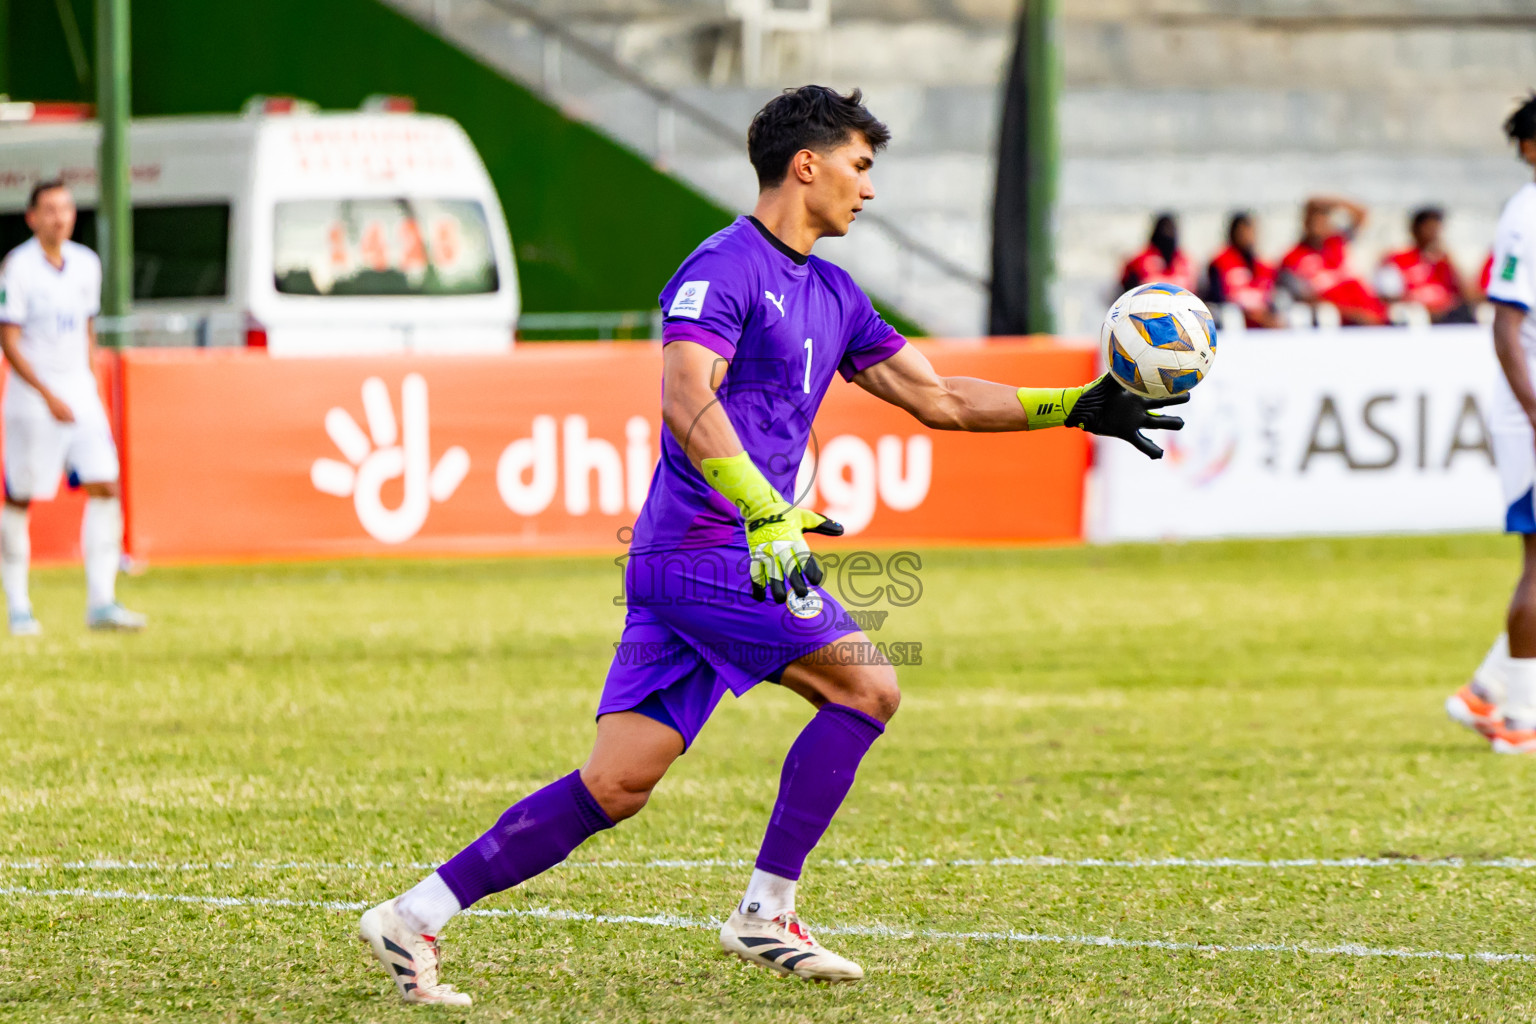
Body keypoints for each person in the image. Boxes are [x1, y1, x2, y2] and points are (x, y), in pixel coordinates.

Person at [355, 86, 1188, 1006]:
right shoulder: (724, 266)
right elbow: (685, 399)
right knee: (869, 684)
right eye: (860, 167)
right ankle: (766, 909)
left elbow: (940, 398)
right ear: (808, 164)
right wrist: (764, 512)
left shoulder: (833, 291)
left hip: (714, 558)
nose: (868, 191)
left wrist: (1071, 406)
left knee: (619, 783)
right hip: (705, 550)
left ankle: (415, 914)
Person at [0, 181, 145, 635]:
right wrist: (47, 394)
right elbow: (9, 340)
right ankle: (19, 605)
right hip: (33, 399)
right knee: (21, 498)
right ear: (31, 217)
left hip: (79, 394)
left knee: (106, 484)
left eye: (65, 209)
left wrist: (88, 384)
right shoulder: (18, 268)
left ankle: (101, 601)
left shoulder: (86, 264)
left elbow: (86, 329)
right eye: (49, 210)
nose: (59, 217)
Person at [1446, 92, 1536, 752]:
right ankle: (1522, 720)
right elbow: (1505, 324)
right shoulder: (1528, 215)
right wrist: (1533, 411)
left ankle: (1487, 690)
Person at [1278, 196, 1388, 326]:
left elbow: (1361, 215)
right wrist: (1351, 314)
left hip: (1368, 307)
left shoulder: (1337, 242)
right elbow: (1303, 297)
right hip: (1337, 319)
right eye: (1315, 222)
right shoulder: (1292, 257)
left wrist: (1335, 202)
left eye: (1323, 223)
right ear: (1305, 223)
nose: (1319, 228)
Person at [1376, 207, 1476, 324]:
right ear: (1415, 229)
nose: (1433, 233)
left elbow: (1469, 295)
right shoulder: (1396, 258)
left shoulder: (1443, 260)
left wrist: (1451, 262)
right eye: (1429, 228)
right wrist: (1420, 306)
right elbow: (1388, 296)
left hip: (1447, 315)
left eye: (1436, 229)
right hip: (1414, 315)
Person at [1206, 211, 1281, 328]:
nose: (1248, 236)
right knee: (1231, 316)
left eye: (1251, 231)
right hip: (1235, 318)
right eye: (1243, 231)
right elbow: (1217, 297)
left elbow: (1271, 298)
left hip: (1263, 318)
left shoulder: (1264, 265)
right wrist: (1252, 315)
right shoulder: (1221, 262)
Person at [1119, 213, 1197, 294]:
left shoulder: (1187, 262)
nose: (1168, 233)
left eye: (1171, 229)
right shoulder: (1137, 262)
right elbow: (1126, 292)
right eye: (1164, 229)